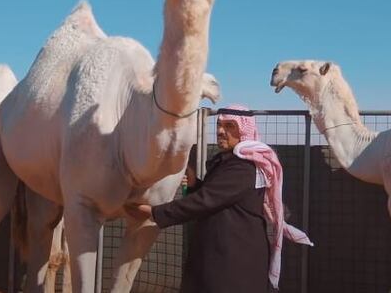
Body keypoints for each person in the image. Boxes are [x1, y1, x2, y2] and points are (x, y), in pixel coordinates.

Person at [125, 104, 312, 293]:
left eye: (230, 126)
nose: (221, 131)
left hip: (234, 259)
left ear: (244, 130)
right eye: (219, 125)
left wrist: (154, 213)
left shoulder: (243, 168)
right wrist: (194, 184)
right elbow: (220, 199)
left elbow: (206, 200)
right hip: (223, 251)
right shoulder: (233, 161)